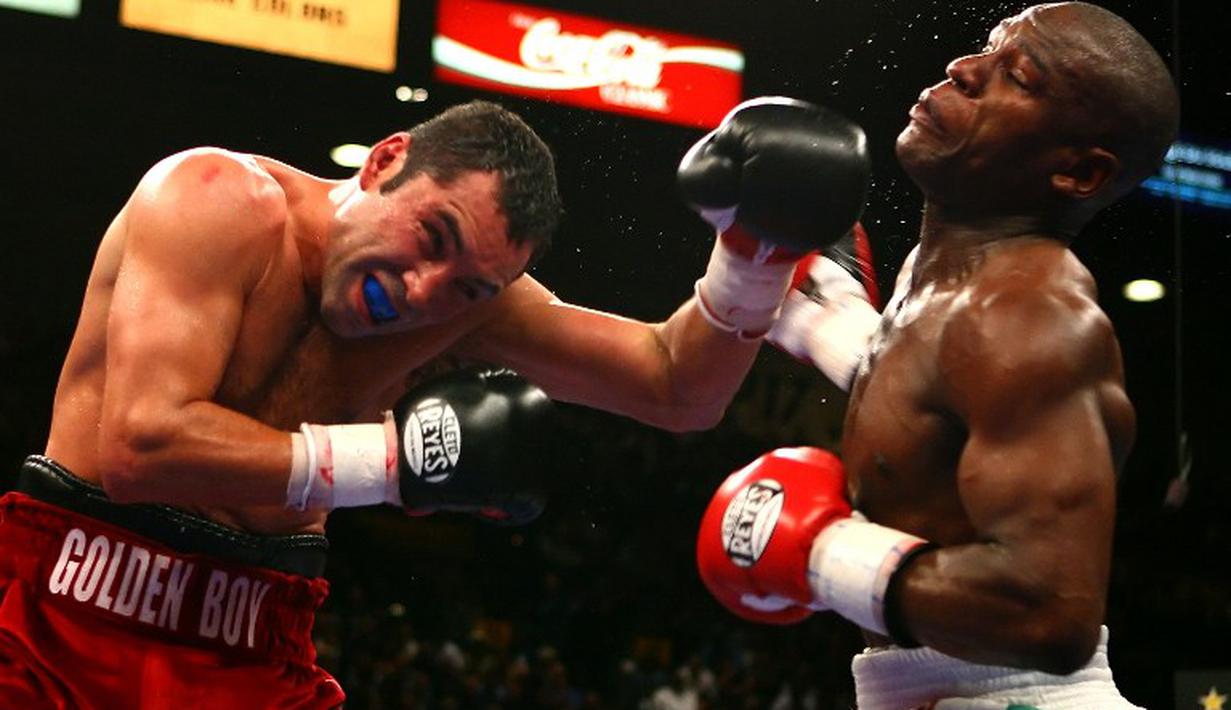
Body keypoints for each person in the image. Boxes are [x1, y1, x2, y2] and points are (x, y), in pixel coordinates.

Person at [0, 97, 869, 707]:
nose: (422, 292)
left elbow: (674, 388)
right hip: (60, 609)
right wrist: (393, 464)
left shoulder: (466, 309)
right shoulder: (215, 201)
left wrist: (751, 264)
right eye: (431, 235)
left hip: (257, 639)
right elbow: (140, 448)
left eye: (468, 286)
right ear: (386, 161)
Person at [695, 3, 1179, 708]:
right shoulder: (949, 279)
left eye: (1016, 76)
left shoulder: (1031, 315)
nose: (963, 68)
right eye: (985, 48)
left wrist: (824, 555)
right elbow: (937, 397)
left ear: (1078, 173)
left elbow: (1049, 614)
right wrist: (824, 316)